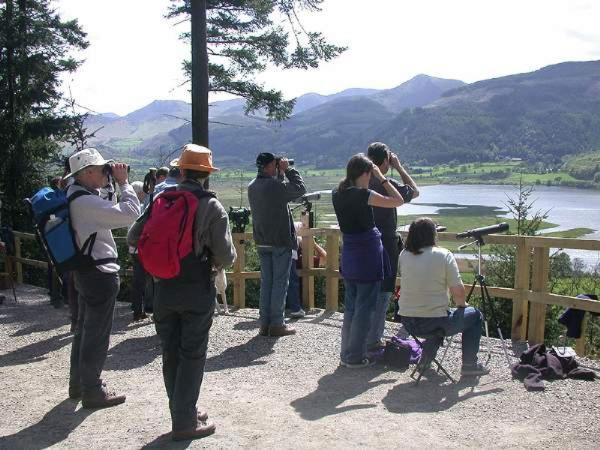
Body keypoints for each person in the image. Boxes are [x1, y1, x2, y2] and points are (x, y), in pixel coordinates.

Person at [128, 144, 236, 441]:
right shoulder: (211, 206)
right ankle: (185, 421)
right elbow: (227, 257)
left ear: (182, 170)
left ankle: (183, 410)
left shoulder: (161, 198)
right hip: (196, 288)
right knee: (192, 353)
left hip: (162, 287)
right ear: (205, 174)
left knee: (170, 351)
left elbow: (133, 236)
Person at [65, 148, 141, 408]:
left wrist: (109, 184)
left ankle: (78, 384)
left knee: (85, 330)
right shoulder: (86, 204)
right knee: (96, 334)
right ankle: (93, 391)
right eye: (101, 169)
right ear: (87, 172)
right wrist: (124, 183)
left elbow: (106, 206)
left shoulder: (76, 195)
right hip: (99, 275)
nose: (105, 172)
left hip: (85, 272)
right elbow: (131, 213)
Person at [332, 154, 403, 368]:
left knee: (352, 307)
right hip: (367, 257)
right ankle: (355, 356)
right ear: (364, 173)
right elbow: (398, 201)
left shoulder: (337, 193)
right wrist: (383, 178)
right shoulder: (363, 194)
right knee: (365, 308)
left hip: (350, 256)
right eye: (369, 174)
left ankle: (347, 353)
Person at [398, 217, 489, 376]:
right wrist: (463, 306)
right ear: (433, 235)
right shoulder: (443, 255)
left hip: (408, 321)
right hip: (433, 321)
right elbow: (458, 293)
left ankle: (425, 360)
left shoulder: (404, 255)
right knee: (474, 315)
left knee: (438, 315)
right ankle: (469, 365)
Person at [366, 142, 419, 350]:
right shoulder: (389, 185)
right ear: (386, 160)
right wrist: (398, 166)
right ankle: (374, 340)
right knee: (384, 291)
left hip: (366, 243)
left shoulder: (362, 183)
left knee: (366, 290)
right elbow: (414, 192)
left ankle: (363, 337)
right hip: (386, 245)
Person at [248, 152, 306, 337]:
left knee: (267, 283)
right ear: (267, 167)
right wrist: (288, 170)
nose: (277, 167)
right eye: (275, 165)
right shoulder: (275, 186)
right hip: (279, 241)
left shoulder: (252, 186)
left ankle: (265, 324)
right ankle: (277, 324)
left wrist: (280, 174)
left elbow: (276, 197)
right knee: (280, 283)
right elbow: (299, 188)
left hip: (262, 240)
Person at [286, 220, 327, 318]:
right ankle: (296, 308)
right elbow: (325, 258)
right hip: (298, 301)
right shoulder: (303, 260)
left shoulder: (298, 259)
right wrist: (314, 244)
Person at [129, 181, 148, 321]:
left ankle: (137, 308)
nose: (144, 195)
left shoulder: (129, 207)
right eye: (142, 192)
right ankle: (139, 310)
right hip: (140, 249)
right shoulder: (140, 208)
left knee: (138, 280)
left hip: (132, 249)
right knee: (142, 281)